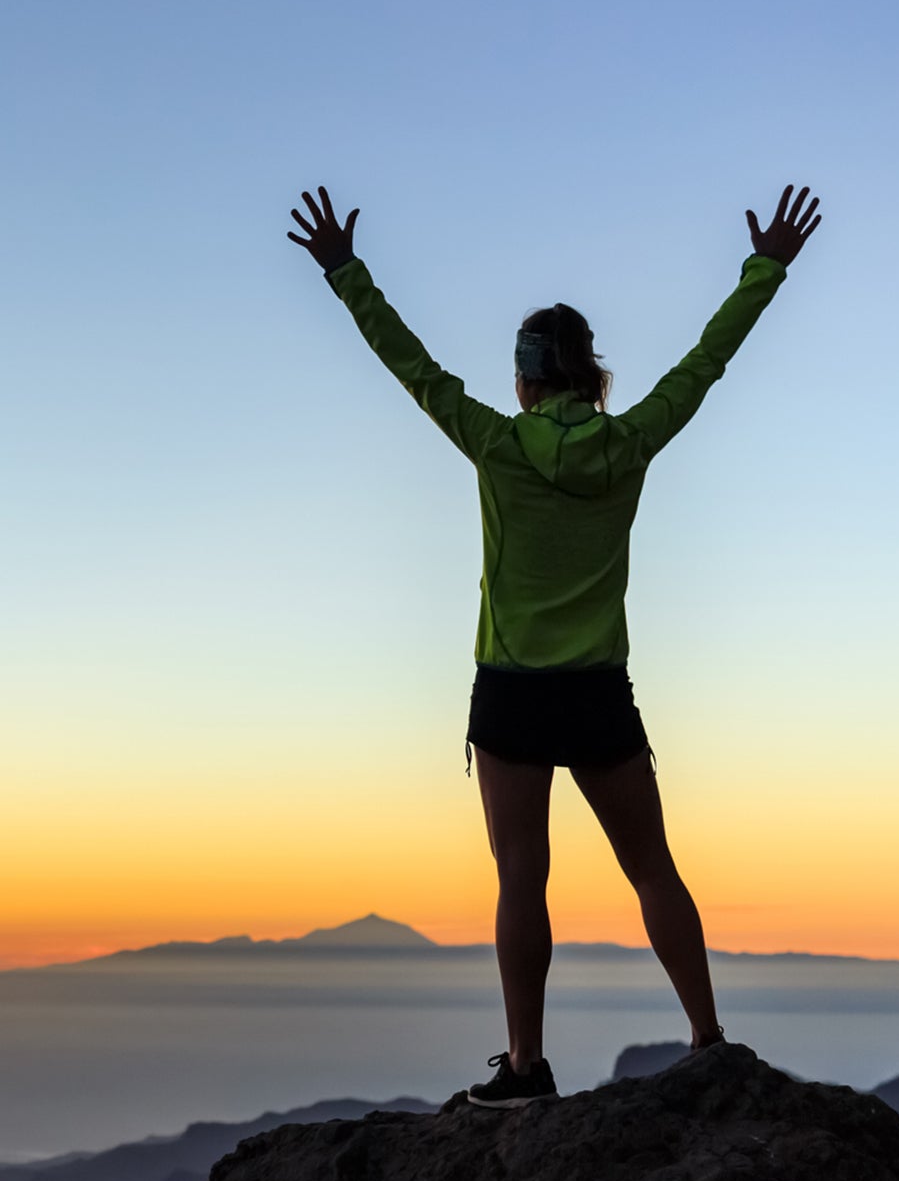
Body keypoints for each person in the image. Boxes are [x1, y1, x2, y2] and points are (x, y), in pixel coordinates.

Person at [286, 183, 822, 1108]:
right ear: (592, 378)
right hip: (598, 693)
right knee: (652, 866)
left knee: (521, 883)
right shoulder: (633, 442)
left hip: (512, 696)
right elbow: (708, 361)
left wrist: (345, 271)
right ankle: (707, 1037)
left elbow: (410, 366)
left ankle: (527, 1069)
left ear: (528, 379)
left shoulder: (497, 444)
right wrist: (766, 266)